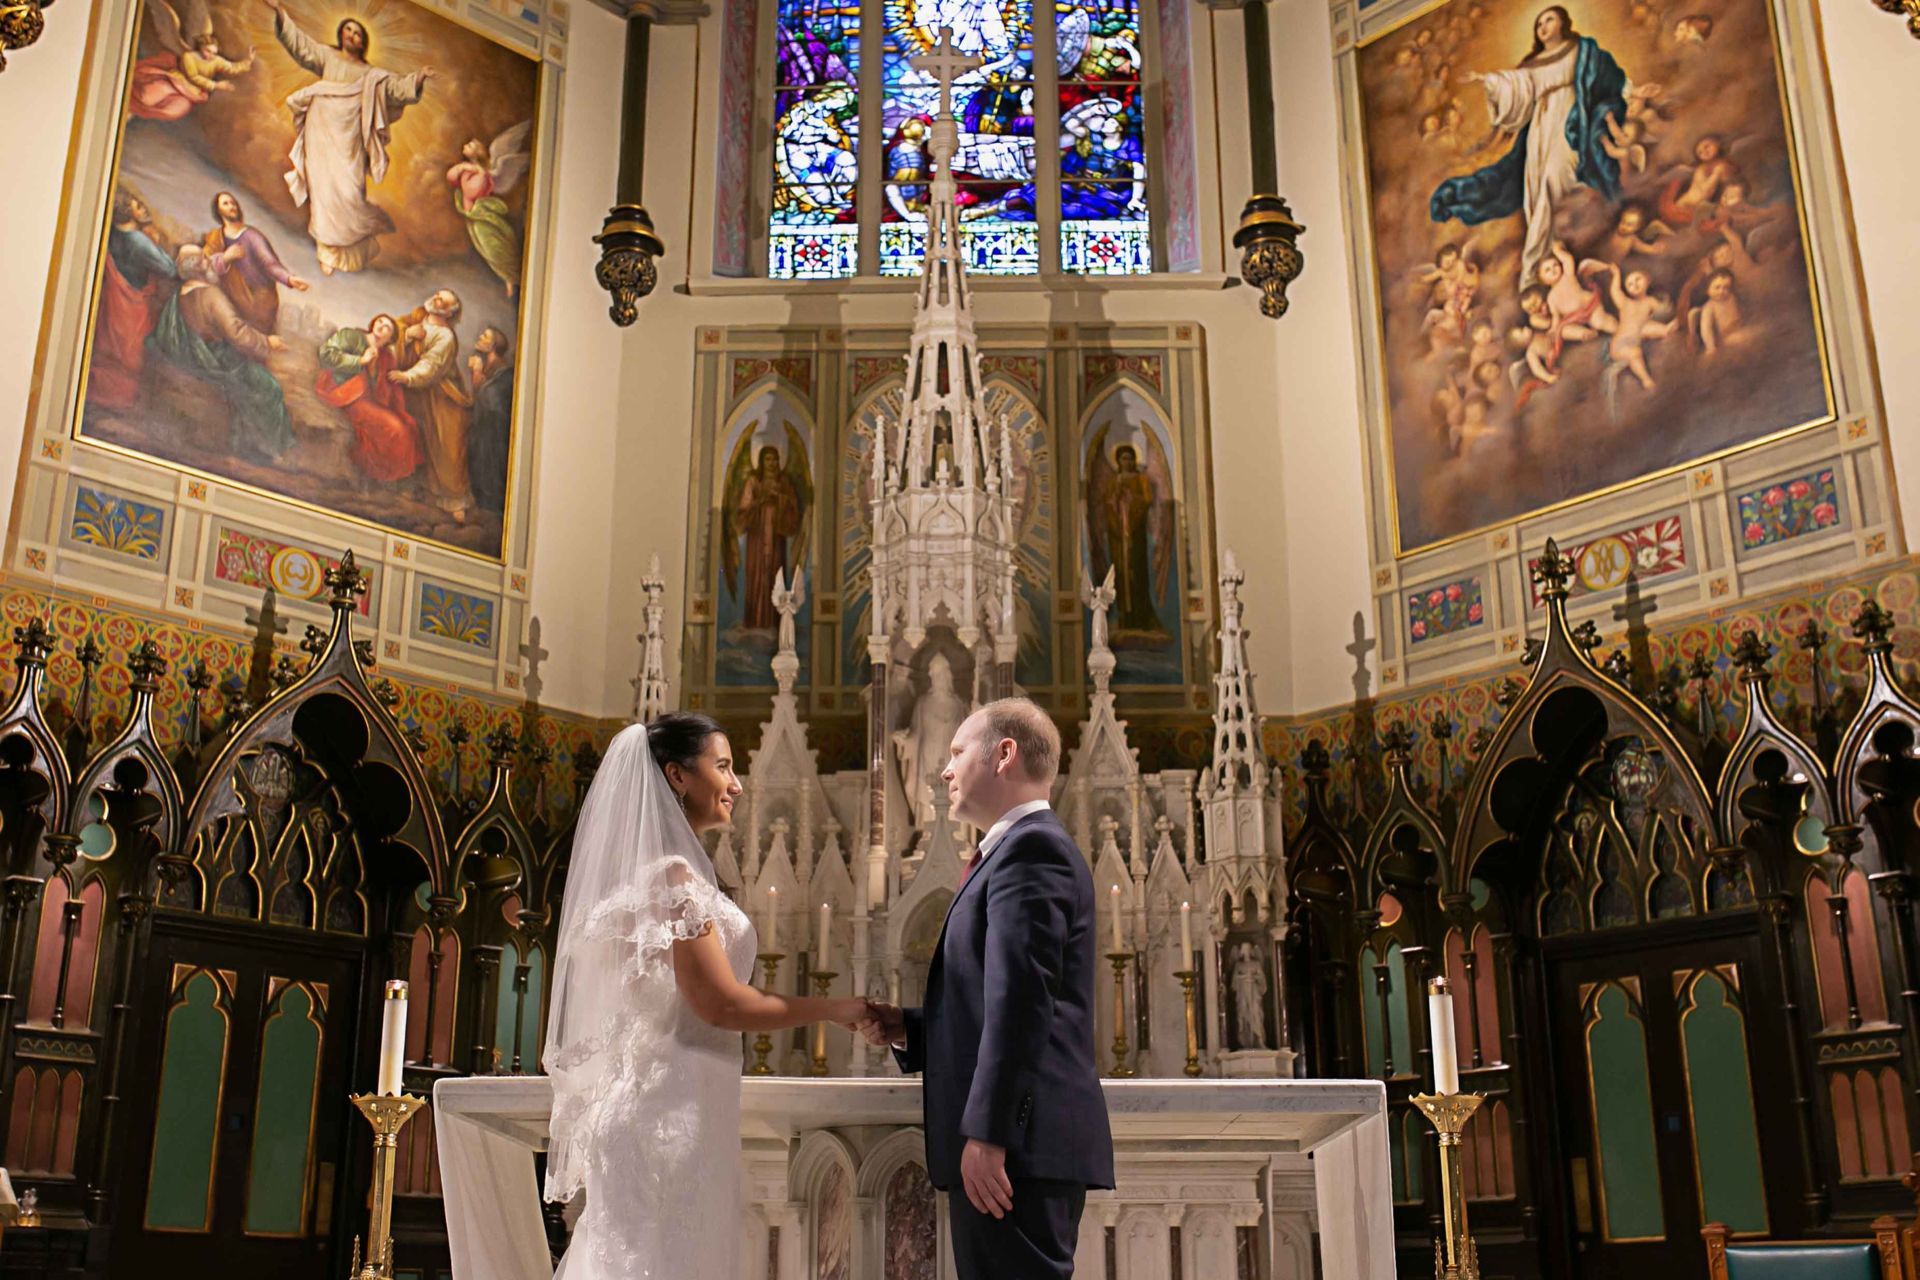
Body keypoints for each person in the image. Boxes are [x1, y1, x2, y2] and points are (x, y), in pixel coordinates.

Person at [543, 714, 869, 1280]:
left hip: (675, 1104)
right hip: (667, 1115)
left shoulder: (667, 877)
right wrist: (840, 1009)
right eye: (722, 766)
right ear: (677, 776)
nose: (737, 783)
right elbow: (721, 1005)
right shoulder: (672, 880)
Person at [857, 699, 1114, 1280]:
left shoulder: (1032, 850)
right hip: (1016, 1148)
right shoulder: (1014, 851)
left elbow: (1024, 1004)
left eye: (955, 753)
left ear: (1004, 755)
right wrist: (909, 1028)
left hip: (1015, 1151)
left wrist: (990, 1134)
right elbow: (998, 999)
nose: (944, 771)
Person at [1429, 6, 1628, 287]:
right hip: (1540, 128)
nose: (1543, 26)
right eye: (1539, 23)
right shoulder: (1531, 64)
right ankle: (1542, 266)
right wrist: (1488, 81)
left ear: (1563, 23)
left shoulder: (1582, 50)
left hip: (1571, 121)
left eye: (1549, 20)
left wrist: (1633, 92)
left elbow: (1609, 79)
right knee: (1534, 191)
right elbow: (1516, 89)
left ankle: (1554, 255)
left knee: (1556, 177)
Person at [263, 0, 438, 274]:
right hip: (321, 124)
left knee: (348, 188)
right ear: (341, 35)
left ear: (364, 42)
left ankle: (346, 247)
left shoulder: (373, 76)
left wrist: (418, 79)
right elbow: (301, 46)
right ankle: (326, 249)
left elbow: (397, 88)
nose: (352, 35)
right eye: (348, 30)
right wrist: (280, 13)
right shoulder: (327, 56)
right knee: (322, 185)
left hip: (350, 135)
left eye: (357, 33)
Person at [149, 245, 294, 460]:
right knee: (269, 388)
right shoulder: (210, 295)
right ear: (198, 267)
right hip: (216, 359)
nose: (209, 260)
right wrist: (268, 342)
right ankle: (267, 449)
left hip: (195, 354)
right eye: (204, 258)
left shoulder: (180, 294)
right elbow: (237, 333)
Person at [390, 290, 475, 521]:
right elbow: (395, 328)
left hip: (443, 395)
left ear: (448, 312)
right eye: (437, 295)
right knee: (419, 435)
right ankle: (420, 488)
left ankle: (455, 500)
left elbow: (432, 365)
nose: (436, 299)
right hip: (419, 393)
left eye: (442, 300)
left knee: (447, 447)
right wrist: (407, 333)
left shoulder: (446, 337)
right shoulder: (419, 315)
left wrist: (407, 377)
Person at [89, 192, 176, 410]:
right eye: (138, 206)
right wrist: (154, 243)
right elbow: (169, 269)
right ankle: (120, 399)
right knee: (129, 354)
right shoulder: (138, 241)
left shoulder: (112, 233)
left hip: (113, 300)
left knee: (110, 349)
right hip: (131, 304)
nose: (144, 208)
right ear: (128, 212)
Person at [316, 314, 419, 484]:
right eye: (380, 321)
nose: (381, 327)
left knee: (407, 426)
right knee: (396, 430)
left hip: (369, 400)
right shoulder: (352, 336)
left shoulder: (387, 356)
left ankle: (386, 476)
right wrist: (360, 360)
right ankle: (386, 477)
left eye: (387, 327)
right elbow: (325, 355)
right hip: (345, 392)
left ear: (391, 338)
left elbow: (389, 389)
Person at [202, 191, 308, 335]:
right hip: (231, 299)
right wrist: (226, 258)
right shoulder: (215, 238)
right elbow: (206, 265)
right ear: (218, 210)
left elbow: (269, 263)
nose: (231, 206)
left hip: (260, 300)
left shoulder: (252, 236)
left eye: (233, 203)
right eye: (226, 203)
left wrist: (289, 279)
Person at [465, 327, 514, 513]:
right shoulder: (489, 365)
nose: (479, 337)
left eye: (484, 336)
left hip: (494, 433)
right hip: (485, 428)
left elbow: (488, 397)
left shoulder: (504, 371)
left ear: (492, 345)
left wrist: (477, 373)